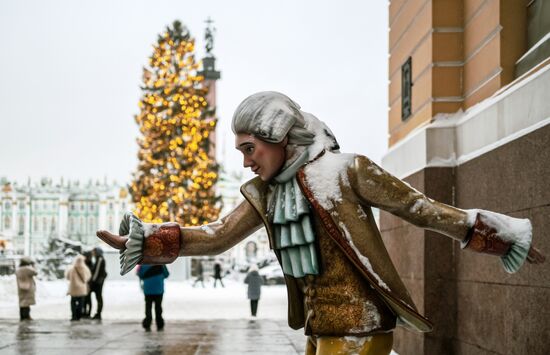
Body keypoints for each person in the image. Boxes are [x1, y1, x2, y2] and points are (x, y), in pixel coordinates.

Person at [98, 91, 545, 354]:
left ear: (280, 138)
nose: (245, 161)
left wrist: (501, 238)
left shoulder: (347, 171)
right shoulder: (268, 194)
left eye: (250, 148)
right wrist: (145, 240)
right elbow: (217, 236)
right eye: (241, 151)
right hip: (319, 325)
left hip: (361, 323)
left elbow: (420, 209)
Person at [137, 264, 170, 332]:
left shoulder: (144, 263)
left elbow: (140, 274)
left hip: (148, 289)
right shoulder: (161, 263)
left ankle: (147, 323)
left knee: (148, 307)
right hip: (159, 289)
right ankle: (159, 324)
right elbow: (166, 274)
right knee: (158, 307)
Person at [65, 254, 92, 321]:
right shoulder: (85, 268)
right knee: (81, 303)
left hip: (73, 288)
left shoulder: (71, 268)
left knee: (73, 302)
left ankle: (74, 316)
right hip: (82, 289)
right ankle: (79, 316)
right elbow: (88, 277)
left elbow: (67, 277)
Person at [15, 257, 37, 321]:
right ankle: (26, 316)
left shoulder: (18, 270)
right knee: (27, 303)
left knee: (22, 303)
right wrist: (33, 265)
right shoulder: (28, 269)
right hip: (28, 287)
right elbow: (35, 273)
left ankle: (22, 316)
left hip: (20, 287)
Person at [90, 246, 107, 320]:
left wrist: (92, 281)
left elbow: (97, 272)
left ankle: (98, 314)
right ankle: (98, 313)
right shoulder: (98, 259)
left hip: (98, 282)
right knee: (98, 297)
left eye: (94, 251)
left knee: (99, 297)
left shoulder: (100, 259)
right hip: (97, 281)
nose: (92, 253)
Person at [82, 250, 94, 318]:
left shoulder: (90, 264)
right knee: (84, 299)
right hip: (84, 284)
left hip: (88, 284)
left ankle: (88, 313)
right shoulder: (85, 263)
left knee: (88, 299)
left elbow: (91, 274)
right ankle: (84, 312)